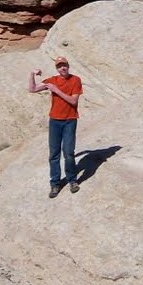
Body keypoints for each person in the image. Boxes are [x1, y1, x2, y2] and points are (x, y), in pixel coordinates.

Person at [29, 55, 83, 198]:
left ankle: (72, 180)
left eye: (64, 65)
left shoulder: (75, 80)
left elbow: (73, 101)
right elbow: (32, 89)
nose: (62, 68)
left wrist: (56, 90)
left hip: (70, 120)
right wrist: (32, 74)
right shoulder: (52, 80)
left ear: (68, 66)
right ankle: (55, 184)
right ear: (57, 69)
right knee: (54, 154)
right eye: (59, 66)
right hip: (55, 121)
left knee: (68, 152)